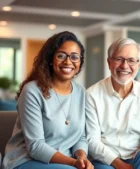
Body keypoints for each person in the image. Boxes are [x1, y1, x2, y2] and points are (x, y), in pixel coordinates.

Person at [2, 31, 93, 169]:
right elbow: (36, 146)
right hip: (26, 159)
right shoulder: (32, 91)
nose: (68, 61)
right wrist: (73, 163)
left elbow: (80, 137)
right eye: (61, 55)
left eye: (75, 57)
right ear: (51, 59)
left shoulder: (81, 92)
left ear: (80, 62)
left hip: (66, 162)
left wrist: (81, 158)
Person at [85, 38, 140, 169]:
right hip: (105, 160)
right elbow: (92, 141)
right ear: (109, 62)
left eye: (131, 60)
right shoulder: (92, 94)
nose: (125, 66)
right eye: (119, 59)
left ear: (139, 65)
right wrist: (119, 164)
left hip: (137, 158)